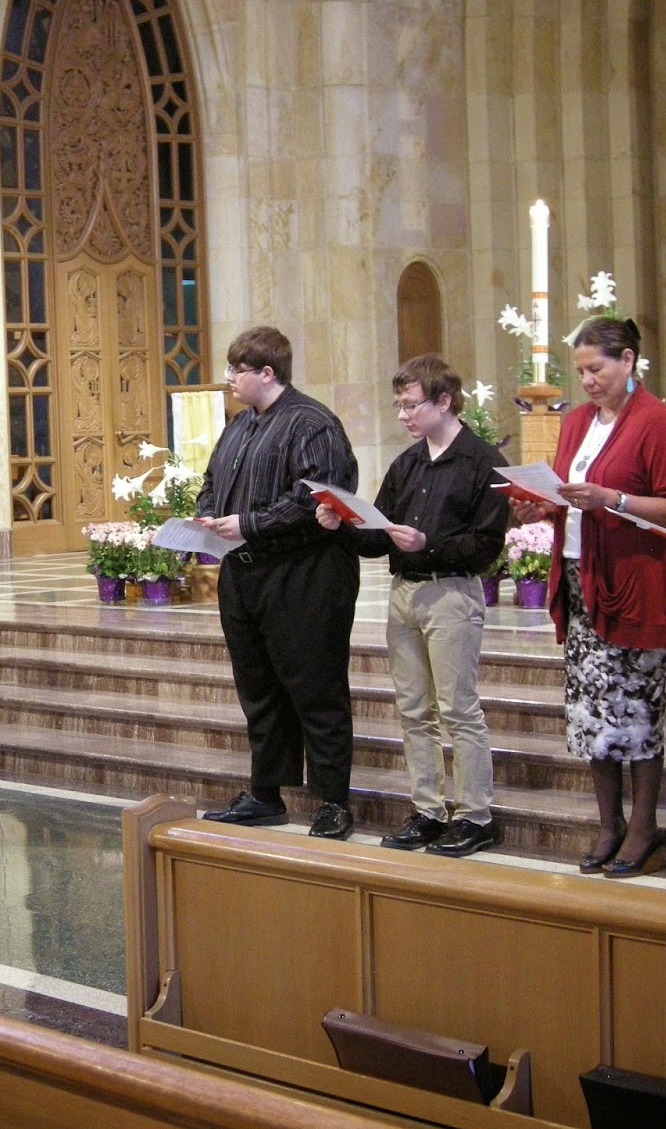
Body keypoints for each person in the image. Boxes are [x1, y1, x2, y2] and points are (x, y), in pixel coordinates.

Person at [512, 317, 666, 877]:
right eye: (581, 371)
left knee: (636, 708)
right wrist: (541, 506)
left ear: (628, 360)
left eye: (597, 369)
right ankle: (608, 823)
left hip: (634, 583)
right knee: (592, 712)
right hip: (580, 577)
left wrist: (613, 498)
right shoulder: (576, 422)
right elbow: (568, 494)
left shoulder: (656, 421)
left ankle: (644, 828)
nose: (587, 381)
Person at [318, 354, 509, 856]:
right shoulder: (407, 463)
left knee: (458, 709)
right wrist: (341, 524)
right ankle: (427, 810)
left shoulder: (483, 462)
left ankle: (474, 816)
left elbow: (487, 547)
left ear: (444, 401)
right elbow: (378, 537)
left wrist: (428, 544)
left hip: (451, 593)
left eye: (410, 405)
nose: (402, 415)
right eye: (399, 405)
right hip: (404, 594)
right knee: (413, 710)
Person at [195, 326, 362, 840]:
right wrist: (207, 515)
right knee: (259, 688)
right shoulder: (240, 424)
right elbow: (212, 480)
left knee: (316, 688)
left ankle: (333, 801)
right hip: (244, 573)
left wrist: (249, 523)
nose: (228, 377)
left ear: (268, 373)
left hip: (303, 573)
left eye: (236, 369)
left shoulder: (312, 422)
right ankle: (266, 795)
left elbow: (320, 494)